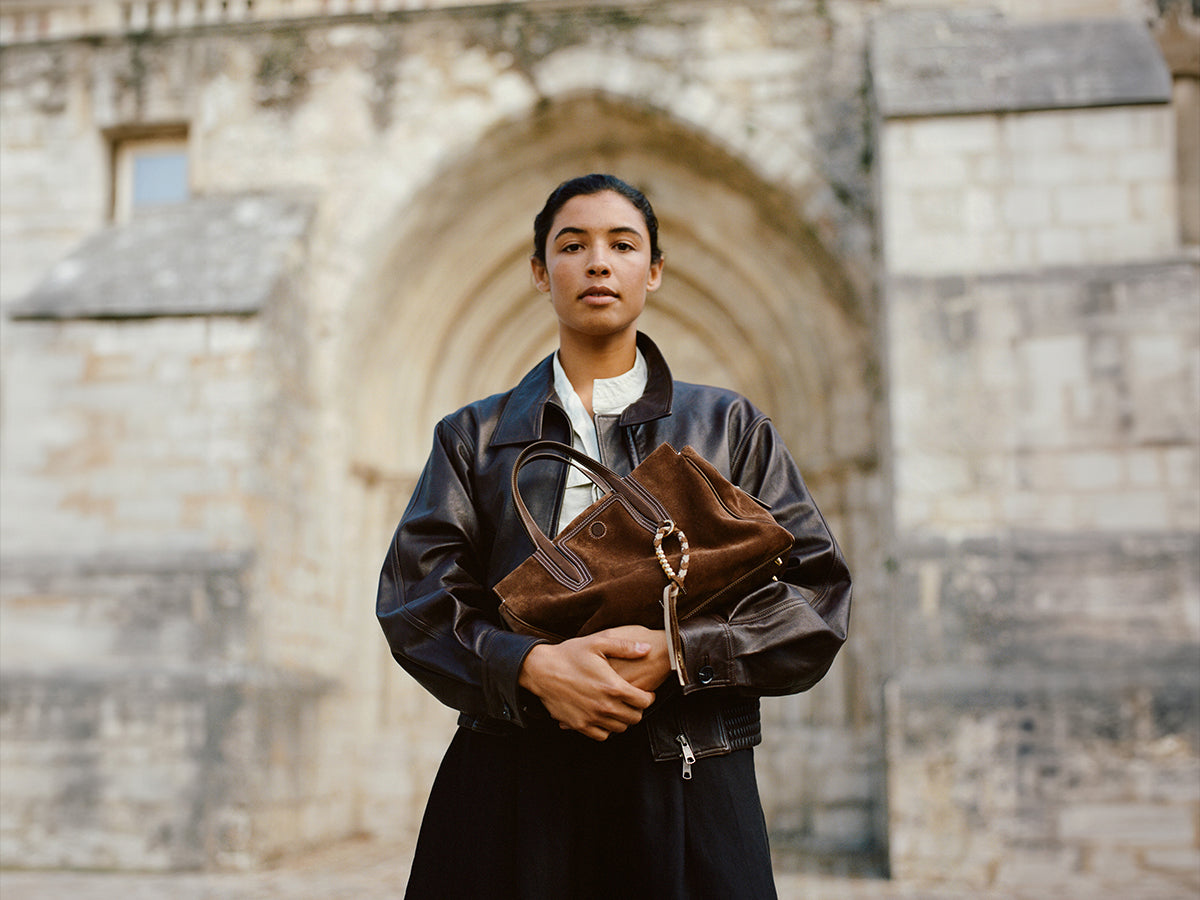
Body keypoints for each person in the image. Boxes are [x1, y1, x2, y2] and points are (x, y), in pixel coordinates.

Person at [376, 173, 851, 899]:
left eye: (622, 244)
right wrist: (531, 668)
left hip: (689, 785)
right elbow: (416, 606)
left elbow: (816, 596)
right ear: (541, 272)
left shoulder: (729, 427)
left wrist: (682, 653)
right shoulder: (471, 438)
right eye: (573, 244)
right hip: (512, 789)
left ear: (653, 271)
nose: (598, 261)